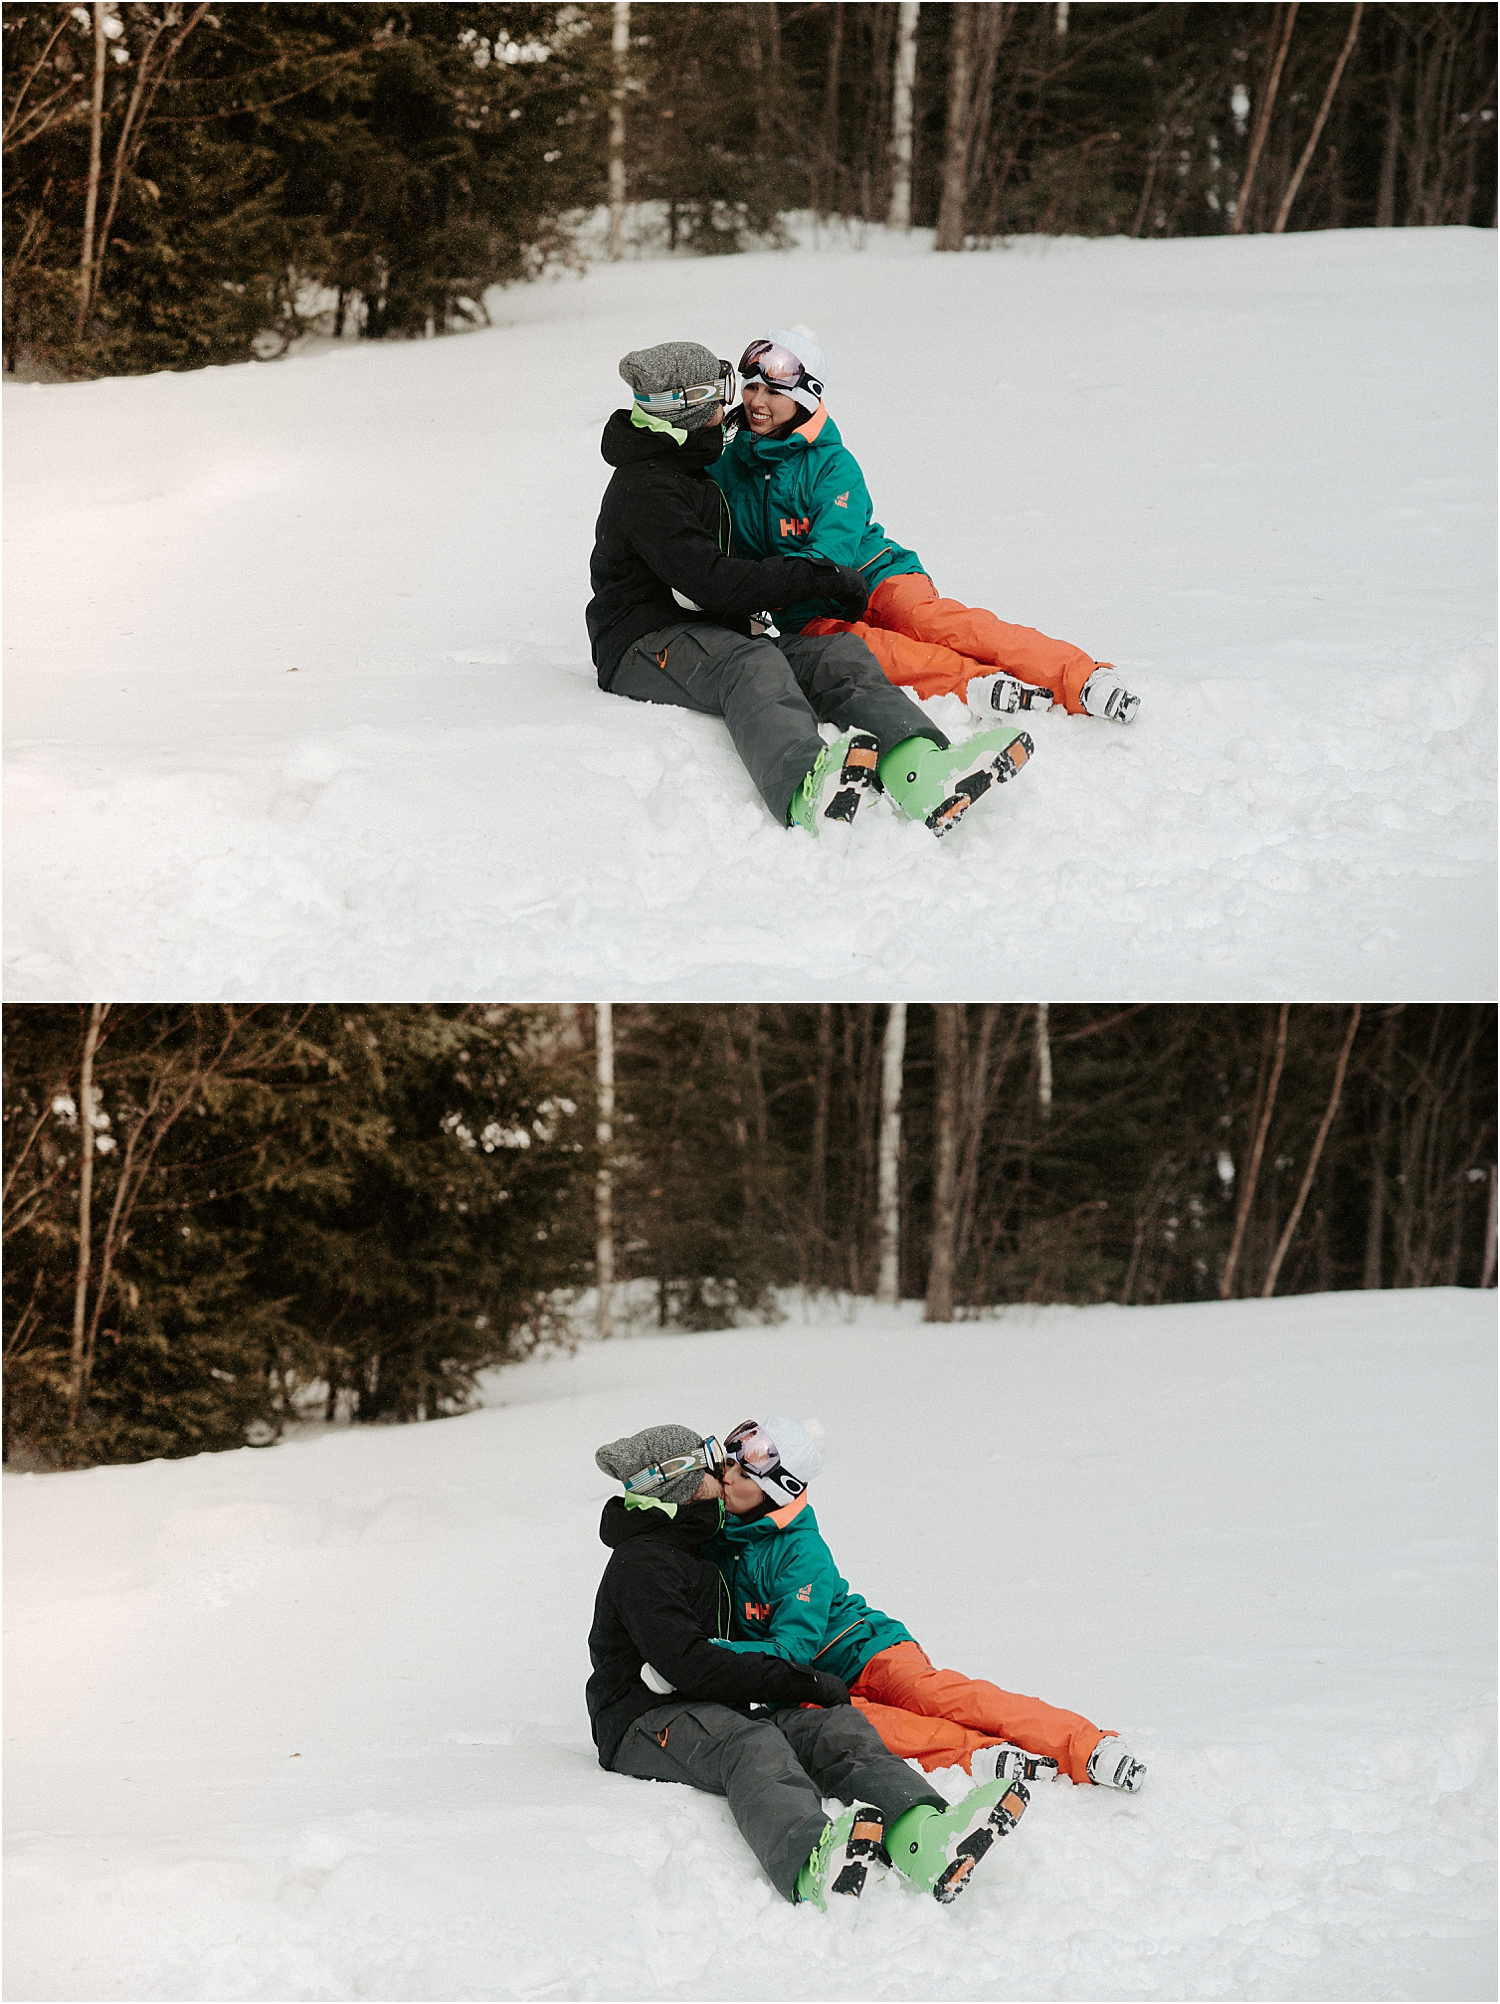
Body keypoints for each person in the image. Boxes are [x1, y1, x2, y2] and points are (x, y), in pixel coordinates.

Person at [586, 340, 1038, 838]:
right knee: (751, 664)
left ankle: (921, 768)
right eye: (719, 397)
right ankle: (805, 788)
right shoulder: (647, 487)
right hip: (640, 644)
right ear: (687, 407)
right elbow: (710, 581)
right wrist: (815, 577)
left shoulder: (694, 469)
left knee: (838, 653)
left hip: (707, 631)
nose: (729, 408)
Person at [587, 1423, 1031, 1908]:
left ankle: (923, 1835)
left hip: (709, 1704)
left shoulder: (703, 1548)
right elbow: (686, 1664)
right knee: (750, 1744)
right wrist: (795, 1677)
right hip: (640, 1721)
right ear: (684, 1484)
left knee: (832, 1725)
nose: (725, 1471)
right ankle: (810, 1864)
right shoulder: (644, 1562)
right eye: (712, 1464)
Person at [710, 328, 1142, 727]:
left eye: (772, 391)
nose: (756, 401)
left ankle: (1081, 677)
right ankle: (976, 683)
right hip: (805, 613)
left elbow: (833, 556)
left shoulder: (832, 466)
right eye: (751, 387)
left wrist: (760, 586)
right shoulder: (728, 465)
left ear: (806, 399)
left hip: (876, 574)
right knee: (871, 653)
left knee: (937, 624)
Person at [705, 1414, 1148, 1793]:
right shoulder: (721, 1534)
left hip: (867, 1649)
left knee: (935, 1696)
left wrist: (706, 1655)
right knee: (859, 1726)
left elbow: (792, 1650)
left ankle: (1087, 1746)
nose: (726, 1477)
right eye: (729, 1466)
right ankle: (980, 1755)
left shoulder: (802, 1551)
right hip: (813, 1683)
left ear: (774, 1493)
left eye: (743, 1475)